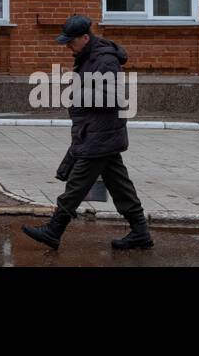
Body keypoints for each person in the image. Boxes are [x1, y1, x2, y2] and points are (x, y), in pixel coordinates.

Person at [21, 14, 154, 251]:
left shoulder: (104, 60)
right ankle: (140, 232)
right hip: (99, 133)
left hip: (99, 135)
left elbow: (114, 97)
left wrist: (76, 97)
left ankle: (54, 230)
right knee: (120, 186)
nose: (68, 47)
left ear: (85, 37)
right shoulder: (88, 56)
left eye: (71, 42)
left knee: (76, 185)